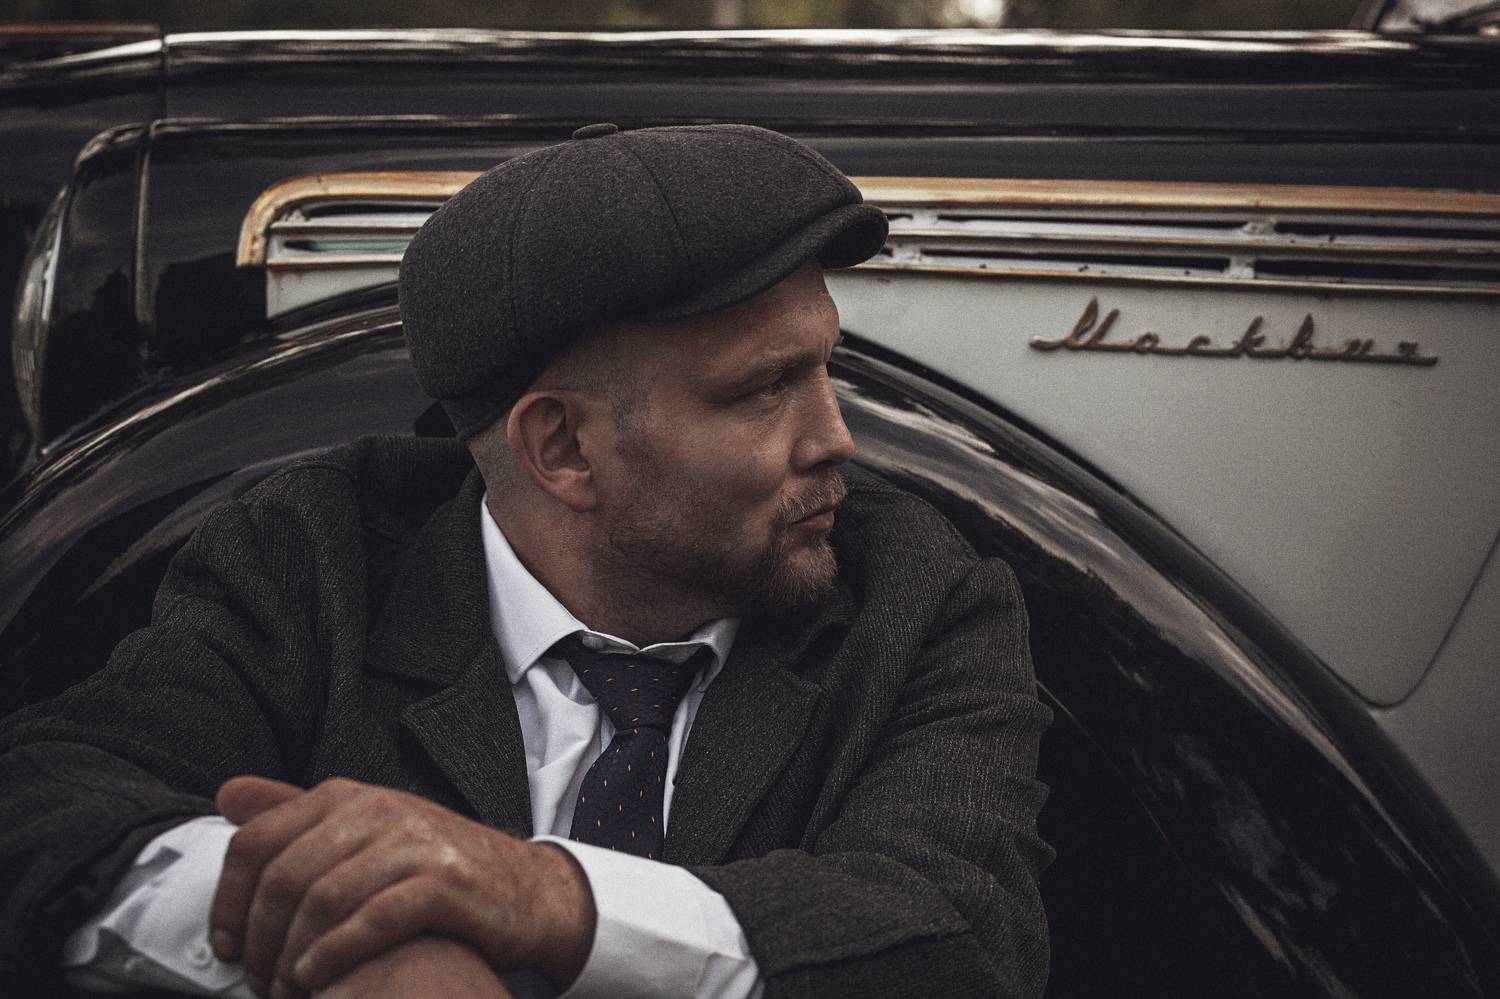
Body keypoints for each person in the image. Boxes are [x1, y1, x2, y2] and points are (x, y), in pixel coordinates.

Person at [0, 123, 1053, 999]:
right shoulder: (312, 558)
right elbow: (43, 802)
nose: (835, 439)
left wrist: (543, 896)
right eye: (764, 389)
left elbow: (965, 936)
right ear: (562, 450)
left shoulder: (920, 596)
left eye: (826, 367)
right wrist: (361, 954)